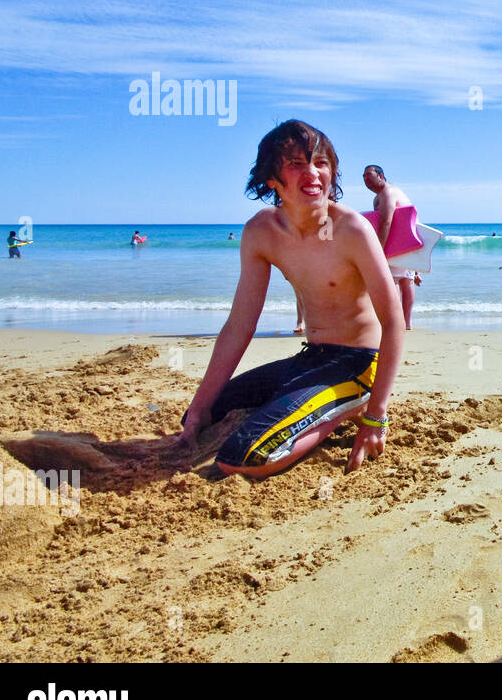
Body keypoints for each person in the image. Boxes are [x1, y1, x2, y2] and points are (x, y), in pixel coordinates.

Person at [176, 121, 404, 477]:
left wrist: (376, 417)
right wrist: (200, 406)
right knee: (204, 416)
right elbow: (239, 325)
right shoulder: (261, 232)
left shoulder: (351, 230)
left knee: (241, 457)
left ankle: (345, 409)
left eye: (321, 163)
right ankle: (319, 405)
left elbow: (393, 323)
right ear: (272, 178)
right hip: (311, 357)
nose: (313, 173)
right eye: (297, 164)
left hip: (358, 363)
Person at [363, 165, 422, 330]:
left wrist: (379, 250)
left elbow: (386, 222)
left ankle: (398, 322)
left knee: (397, 280)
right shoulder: (384, 194)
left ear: (381, 176)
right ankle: (406, 323)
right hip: (407, 241)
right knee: (407, 280)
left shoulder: (387, 193)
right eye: (364, 177)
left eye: (369, 175)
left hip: (397, 242)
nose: (366, 180)